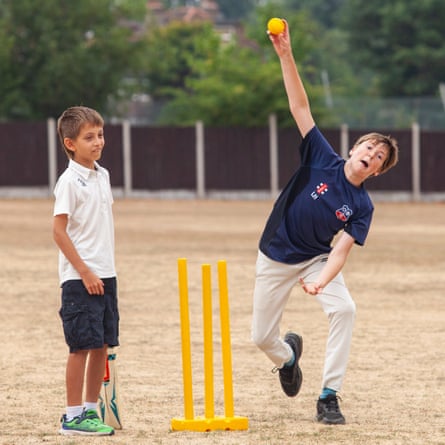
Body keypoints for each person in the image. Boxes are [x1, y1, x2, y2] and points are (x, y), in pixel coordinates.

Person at [252, 20, 398, 424]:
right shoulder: (320, 155)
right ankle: (289, 357)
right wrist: (286, 55)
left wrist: (321, 281)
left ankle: (329, 395)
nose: (372, 154)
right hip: (275, 255)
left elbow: (340, 252)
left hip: (316, 259)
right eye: (369, 146)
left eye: (379, 157)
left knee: (345, 310)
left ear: (377, 172)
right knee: (261, 337)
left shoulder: (362, 206)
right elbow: (300, 107)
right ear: (353, 148)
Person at [53, 106, 119, 436]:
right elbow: (58, 231)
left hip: (106, 274)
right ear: (70, 143)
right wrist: (85, 272)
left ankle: (91, 411)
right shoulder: (68, 182)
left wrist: (102, 273)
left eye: (100, 135)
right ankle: (72, 415)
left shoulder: (102, 174)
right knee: (80, 345)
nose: (98, 142)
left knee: (102, 344)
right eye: (89, 137)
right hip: (80, 279)